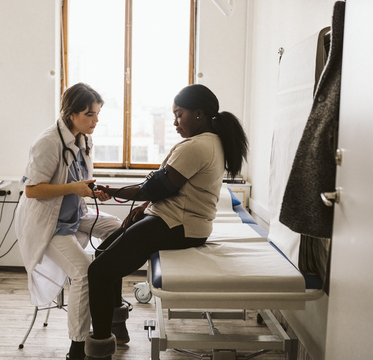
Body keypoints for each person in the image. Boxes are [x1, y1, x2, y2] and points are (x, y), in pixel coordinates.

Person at [83, 84, 249, 360]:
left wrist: (112, 191)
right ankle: (117, 327)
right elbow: (167, 187)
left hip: (179, 225)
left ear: (198, 114)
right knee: (103, 253)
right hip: (176, 220)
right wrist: (146, 205)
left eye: (178, 114)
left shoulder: (197, 146)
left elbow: (157, 187)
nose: (174, 122)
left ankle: (100, 348)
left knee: (98, 272)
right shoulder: (211, 141)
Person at [15, 83, 122, 360]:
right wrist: (75, 188)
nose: (96, 120)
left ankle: (113, 313)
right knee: (84, 272)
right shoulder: (48, 142)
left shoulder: (83, 138)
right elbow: (32, 190)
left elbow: (78, 180)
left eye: (97, 114)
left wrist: (90, 189)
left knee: (118, 230)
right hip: (48, 225)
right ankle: (77, 347)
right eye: (90, 114)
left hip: (75, 214)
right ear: (71, 114)